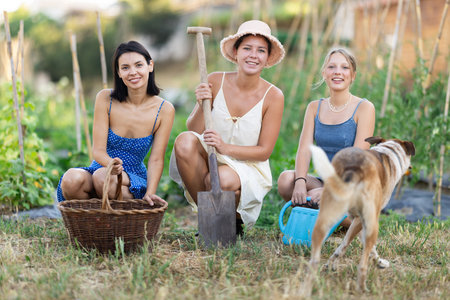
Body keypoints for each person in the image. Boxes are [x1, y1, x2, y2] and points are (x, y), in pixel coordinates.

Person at [169, 20, 285, 232]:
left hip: (248, 165)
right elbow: (194, 129)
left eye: (260, 50)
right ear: (236, 51)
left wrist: (225, 147)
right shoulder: (214, 80)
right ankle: (212, 219)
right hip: (212, 152)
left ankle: (233, 221)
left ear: (267, 58)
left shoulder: (274, 96)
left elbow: (264, 151)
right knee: (184, 141)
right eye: (247, 48)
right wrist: (201, 101)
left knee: (220, 179)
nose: (253, 55)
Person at [57, 41, 174, 206]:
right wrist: (110, 164)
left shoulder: (164, 109)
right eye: (125, 68)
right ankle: (96, 220)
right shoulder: (105, 99)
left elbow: (156, 159)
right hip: (101, 167)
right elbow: (98, 150)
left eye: (138, 65)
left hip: (131, 178)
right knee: (71, 179)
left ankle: (127, 212)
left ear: (150, 66)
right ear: (118, 72)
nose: (133, 72)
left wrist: (150, 192)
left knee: (102, 178)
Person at [277, 47, 375, 226]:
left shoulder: (364, 108)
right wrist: (300, 182)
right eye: (332, 67)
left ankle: (335, 216)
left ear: (353, 75)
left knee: (349, 215)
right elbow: (304, 149)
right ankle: (323, 212)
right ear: (324, 73)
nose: (338, 72)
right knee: (286, 180)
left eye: (345, 68)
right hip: (323, 182)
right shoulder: (314, 107)